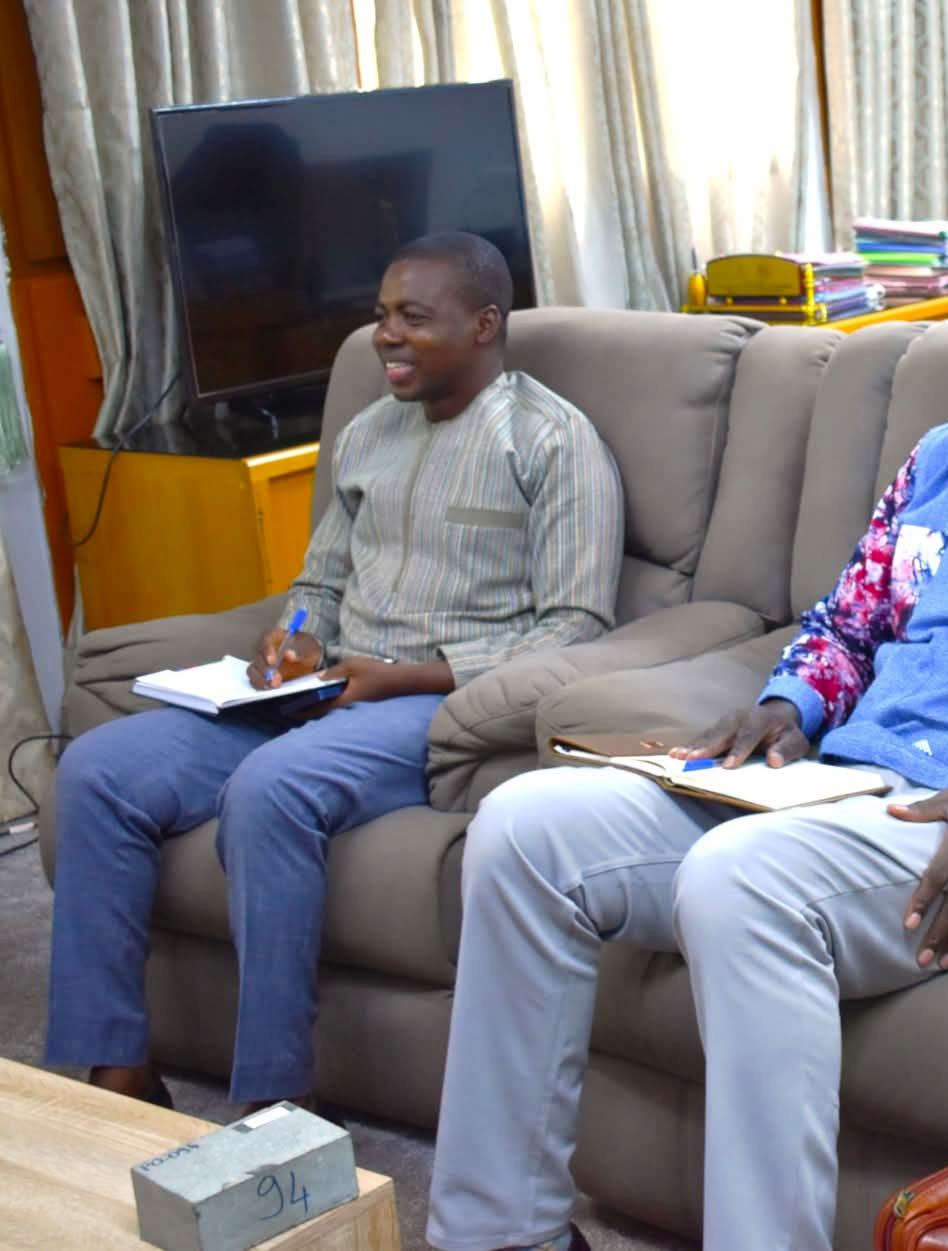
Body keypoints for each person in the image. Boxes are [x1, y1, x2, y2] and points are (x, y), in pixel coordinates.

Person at [424, 230, 948, 1251]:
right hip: (834, 787)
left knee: (738, 880)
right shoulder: (943, 455)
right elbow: (845, 624)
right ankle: (498, 1236)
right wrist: (790, 703)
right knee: (522, 827)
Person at [45, 231, 625, 1111]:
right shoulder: (367, 433)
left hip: (434, 703)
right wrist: (296, 640)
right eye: (382, 314)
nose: (386, 335)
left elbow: (576, 628)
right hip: (317, 693)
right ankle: (116, 1075)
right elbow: (317, 586)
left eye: (412, 317)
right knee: (96, 769)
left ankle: (276, 1104)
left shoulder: (552, 442)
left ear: (483, 325)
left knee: (269, 790)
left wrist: (410, 676)